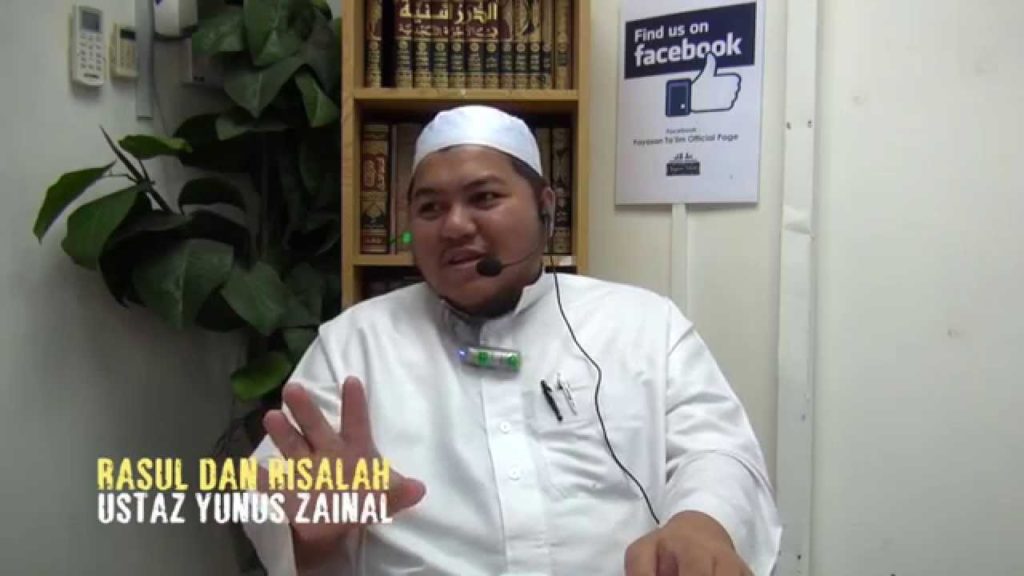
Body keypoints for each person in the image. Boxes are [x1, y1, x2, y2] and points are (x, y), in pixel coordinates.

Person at [243, 105, 781, 575]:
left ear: (546, 205)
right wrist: (317, 528)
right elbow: (278, 497)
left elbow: (717, 450)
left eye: (484, 197)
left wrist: (702, 522)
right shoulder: (354, 342)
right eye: (430, 208)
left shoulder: (642, 324)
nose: (455, 226)